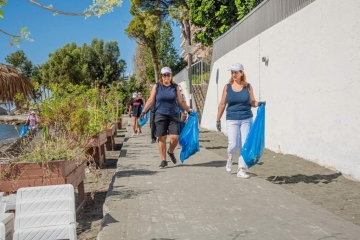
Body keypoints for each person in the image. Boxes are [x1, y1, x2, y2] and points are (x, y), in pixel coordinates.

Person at [216, 63, 265, 178]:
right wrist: (218, 119)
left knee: (244, 145)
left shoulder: (248, 87)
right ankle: (230, 159)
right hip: (231, 119)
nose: (233, 74)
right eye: (232, 72)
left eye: (236, 72)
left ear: (241, 73)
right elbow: (223, 104)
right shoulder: (227, 87)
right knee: (233, 145)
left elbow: (252, 102)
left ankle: (241, 169)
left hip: (246, 118)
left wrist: (258, 104)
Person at [141, 67, 192, 168]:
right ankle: (163, 160)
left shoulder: (175, 87)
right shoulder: (157, 86)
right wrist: (144, 111)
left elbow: (181, 101)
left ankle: (170, 151)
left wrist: (189, 110)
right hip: (160, 115)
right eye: (164, 75)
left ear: (171, 76)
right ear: (161, 76)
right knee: (162, 137)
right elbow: (151, 99)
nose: (166, 77)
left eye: (168, 75)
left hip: (173, 115)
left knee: (175, 137)